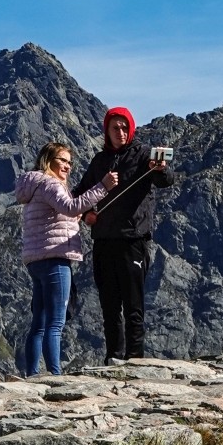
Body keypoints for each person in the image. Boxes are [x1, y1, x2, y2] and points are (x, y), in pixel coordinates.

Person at [74, 107, 175, 362]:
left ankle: (135, 357)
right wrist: (86, 215)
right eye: (115, 127)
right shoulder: (99, 161)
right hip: (104, 241)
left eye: (124, 127)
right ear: (106, 131)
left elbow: (167, 180)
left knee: (133, 305)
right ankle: (113, 357)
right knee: (109, 305)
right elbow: (78, 194)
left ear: (131, 129)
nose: (120, 132)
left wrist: (160, 169)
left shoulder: (143, 156)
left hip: (133, 239)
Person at [15, 143, 114, 376]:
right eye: (63, 160)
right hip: (56, 260)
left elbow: (55, 217)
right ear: (48, 159)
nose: (68, 166)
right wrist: (103, 187)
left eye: (70, 162)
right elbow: (71, 207)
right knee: (56, 323)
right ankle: (55, 375)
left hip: (36, 260)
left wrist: (73, 219)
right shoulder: (50, 183)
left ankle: (32, 373)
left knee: (38, 322)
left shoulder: (33, 187)